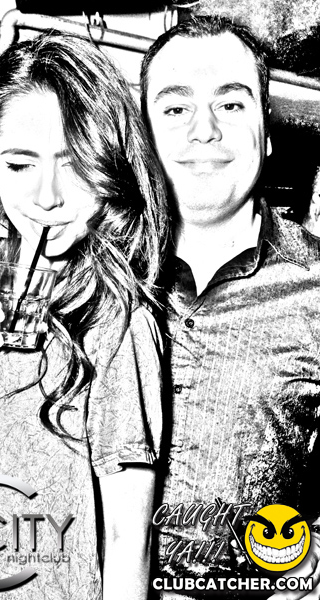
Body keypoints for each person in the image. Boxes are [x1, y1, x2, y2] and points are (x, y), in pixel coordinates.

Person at [0, 30, 168, 600]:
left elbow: (129, 540)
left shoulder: (120, 324)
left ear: (110, 168)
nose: (47, 196)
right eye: (19, 164)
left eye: (72, 164)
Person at [140, 15, 320, 599]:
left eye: (231, 104)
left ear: (266, 133)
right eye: (175, 108)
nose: (205, 129)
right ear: (142, 137)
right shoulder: (91, 276)